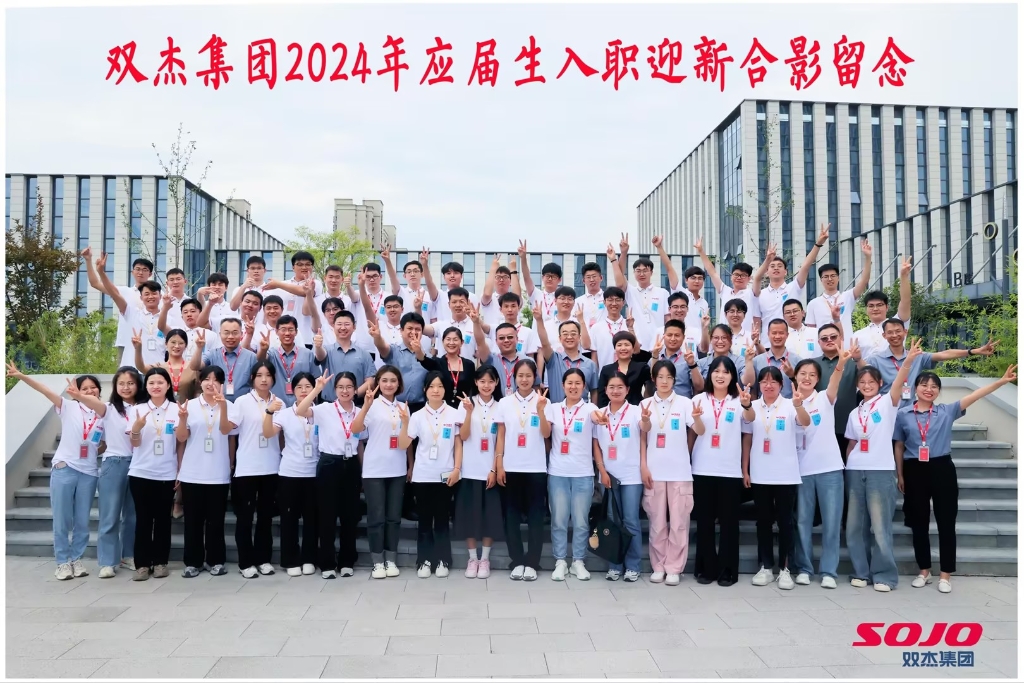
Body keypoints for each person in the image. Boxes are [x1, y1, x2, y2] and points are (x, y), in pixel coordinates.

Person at [896, 365, 1018, 595]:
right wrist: (900, 474)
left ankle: (945, 574)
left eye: (934, 386)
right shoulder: (903, 414)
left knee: (946, 521)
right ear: (915, 388)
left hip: (942, 467)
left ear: (938, 391)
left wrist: (1001, 382)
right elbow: (899, 445)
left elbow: (975, 395)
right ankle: (924, 571)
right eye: (924, 385)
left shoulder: (947, 411)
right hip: (914, 469)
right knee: (918, 522)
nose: (929, 389)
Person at [7, 364, 103, 580]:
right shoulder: (68, 407)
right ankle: (62, 562)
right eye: (85, 388)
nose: (89, 391)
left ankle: (76, 559)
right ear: (77, 391)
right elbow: (45, 390)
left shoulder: (103, 412)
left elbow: (103, 443)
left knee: (82, 521)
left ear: (99, 390)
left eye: (93, 387)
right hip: (65, 468)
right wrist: (21, 376)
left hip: (89, 473)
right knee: (62, 519)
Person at [843, 339, 920, 592]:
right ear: (858, 385)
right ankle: (861, 572)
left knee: (879, 526)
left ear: (879, 384)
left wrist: (908, 362)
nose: (866, 386)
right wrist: (848, 466)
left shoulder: (888, 403)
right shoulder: (855, 413)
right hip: (855, 470)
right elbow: (852, 443)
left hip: (881, 470)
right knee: (855, 526)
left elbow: (898, 383)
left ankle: (885, 575)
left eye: (871, 382)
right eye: (862, 382)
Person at [741, 366, 811, 590]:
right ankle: (766, 567)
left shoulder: (791, 405)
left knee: (785, 522)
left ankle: (785, 569)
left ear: (781, 385)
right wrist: (745, 470)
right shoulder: (753, 406)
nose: (768, 385)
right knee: (763, 521)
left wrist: (799, 405)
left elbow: (805, 422)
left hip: (785, 475)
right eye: (764, 381)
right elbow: (747, 430)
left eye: (773, 381)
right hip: (760, 474)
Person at [639, 361, 704, 586]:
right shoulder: (645, 403)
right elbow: (644, 434)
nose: (664, 381)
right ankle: (658, 566)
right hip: (654, 471)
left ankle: (674, 567)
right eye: (660, 377)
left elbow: (700, 430)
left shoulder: (685, 403)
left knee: (679, 522)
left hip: (680, 471)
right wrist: (643, 466)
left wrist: (697, 418)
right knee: (656, 522)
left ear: (675, 379)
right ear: (653, 379)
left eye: (668, 377)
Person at [792, 353, 851, 590]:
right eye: (802, 374)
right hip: (801, 471)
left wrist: (841, 364)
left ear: (818, 379)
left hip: (830, 469)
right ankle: (804, 569)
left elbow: (836, 379)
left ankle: (829, 571)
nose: (807, 378)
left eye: (812, 375)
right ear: (795, 377)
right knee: (803, 521)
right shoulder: (788, 403)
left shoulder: (825, 398)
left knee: (831, 522)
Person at [298, 372, 365, 579]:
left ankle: (347, 561)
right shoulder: (325, 409)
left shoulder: (360, 412)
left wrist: (362, 469)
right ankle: (327, 563)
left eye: (349, 387)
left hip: (351, 464)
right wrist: (317, 389)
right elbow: (300, 410)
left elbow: (360, 443)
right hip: (329, 464)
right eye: (340, 387)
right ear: (335, 390)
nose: (345, 391)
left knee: (349, 516)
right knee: (327, 515)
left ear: (355, 390)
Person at [399, 371, 465, 578]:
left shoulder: (454, 413)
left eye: (440, 386)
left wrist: (457, 469)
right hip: (423, 475)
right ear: (425, 390)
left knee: (442, 520)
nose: (436, 390)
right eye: (431, 386)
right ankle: (424, 560)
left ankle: (444, 559)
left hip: (446, 475)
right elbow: (403, 444)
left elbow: (458, 443)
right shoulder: (417, 416)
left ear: (446, 389)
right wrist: (404, 422)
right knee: (425, 521)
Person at [174, 366, 237, 578]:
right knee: (193, 521)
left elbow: (226, 431)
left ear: (222, 383)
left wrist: (223, 406)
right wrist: (183, 418)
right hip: (192, 472)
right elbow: (181, 438)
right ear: (200, 382)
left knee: (216, 521)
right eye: (207, 379)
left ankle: (215, 560)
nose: (211, 383)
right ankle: (193, 562)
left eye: (216, 380)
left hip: (218, 472)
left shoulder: (229, 406)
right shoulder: (189, 405)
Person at [494, 360, 551, 581]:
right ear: (514, 378)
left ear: (535, 377)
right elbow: (501, 435)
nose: (524, 379)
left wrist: (541, 412)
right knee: (511, 516)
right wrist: (499, 464)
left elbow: (546, 434)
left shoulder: (544, 401)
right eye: (520, 375)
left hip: (536, 467)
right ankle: (517, 560)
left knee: (536, 517)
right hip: (511, 467)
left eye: (528, 375)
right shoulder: (505, 403)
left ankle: (532, 562)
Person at [350, 366, 409, 579]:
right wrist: (365, 406)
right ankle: (377, 562)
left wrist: (410, 465)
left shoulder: (404, 407)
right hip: (374, 469)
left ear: (399, 383)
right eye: (384, 380)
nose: (389, 384)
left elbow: (406, 441)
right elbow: (355, 429)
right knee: (376, 517)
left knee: (393, 517)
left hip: (397, 468)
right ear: (378, 383)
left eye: (393, 380)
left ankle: (391, 559)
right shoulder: (371, 405)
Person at [690, 356, 744, 586]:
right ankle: (706, 569)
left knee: (730, 523)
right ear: (709, 374)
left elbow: (750, 419)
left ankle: (727, 571)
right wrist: (696, 418)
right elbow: (697, 432)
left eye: (726, 372)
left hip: (730, 470)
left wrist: (748, 405)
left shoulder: (739, 400)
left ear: (732, 376)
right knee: (704, 521)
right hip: (702, 467)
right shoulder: (698, 399)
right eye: (716, 371)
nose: (720, 376)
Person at [545, 368, 602, 582]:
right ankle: (560, 560)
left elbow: (597, 418)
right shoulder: (553, 408)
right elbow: (545, 433)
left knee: (580, 521)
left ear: (584, 386)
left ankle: (578, 561)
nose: (573, 387)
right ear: (563, 385)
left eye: (578, 383)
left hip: (583, 473)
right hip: (558, 472)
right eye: (570, 382)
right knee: (559, 520)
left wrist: (600, 418)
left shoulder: (590, 408)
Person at [125, 368, 181, 581]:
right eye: (151, 382)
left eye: (160, 382)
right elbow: (135, 443)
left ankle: (160, 563)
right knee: (143, 520)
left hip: (167, 472)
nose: (156, 386)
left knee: (163, 520)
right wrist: (137, 428)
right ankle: (142, 564)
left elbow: (181, 442)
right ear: (146, 386)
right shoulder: (137, 409)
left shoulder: (177, 409)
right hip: (141, 472)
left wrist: (180, 470)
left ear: (168, 385)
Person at [866, 318, 998, 408]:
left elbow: (944, 354)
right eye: (890, 332)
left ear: (905, 332)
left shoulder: (917, 356)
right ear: (884, 335)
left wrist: (973, 351)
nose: (894, 335)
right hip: (885, 411)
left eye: (898, 331)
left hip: (910, 412)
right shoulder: (875, 360)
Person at [232, 361, 283, 579]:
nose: (264, 379)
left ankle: (263, 559)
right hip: (247, 467)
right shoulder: (242, 401)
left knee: (265, 517)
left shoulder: (279, 402)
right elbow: (231, 431)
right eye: (259, 375)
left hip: (271, 466)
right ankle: (245, 562)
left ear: (273, 378)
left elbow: (277, 435)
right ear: (252, 378)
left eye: (268, 375)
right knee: (245, 517)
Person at [266, 372, 321, 577]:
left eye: (308, 386)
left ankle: (309, 558)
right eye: (299, 387)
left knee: (312, 519)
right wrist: (269, 412)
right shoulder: (285, 413)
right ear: (292, 390)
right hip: (290, 473)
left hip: (314, 473)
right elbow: (268, 433)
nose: (304, 390)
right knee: (289, 519)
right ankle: (290, 559)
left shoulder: (321, 412)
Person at [455, 366, 505, 579]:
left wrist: (494, 468)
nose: (486, 385)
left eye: (490, 381)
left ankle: (485, 559)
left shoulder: (501, 406)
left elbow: (501, 440)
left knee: (489, 517)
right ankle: (472, 558)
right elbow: (463, 436)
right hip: (469, 469)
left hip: (490, 470)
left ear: (496, 383)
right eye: (482, 381)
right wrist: (468, 412)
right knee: (469, 516)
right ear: (476, 382)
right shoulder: (466, 403)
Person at [593, 371, 643, 582]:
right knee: (612, 521)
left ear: (627, 390)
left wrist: (646, 420)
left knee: (630, 520)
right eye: (611, 387)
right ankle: (615, 565)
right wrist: (602, 471)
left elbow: (646, 429)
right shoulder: (599, 414)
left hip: (631, 475)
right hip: (608, 476)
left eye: (620, 387)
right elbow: (596, 445)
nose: (615, 391)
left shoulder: (636, 412)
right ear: (605, 390)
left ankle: (633, 565)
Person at [750, 226, 828, 347]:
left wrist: (818, 244)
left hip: (792, 343)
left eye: (779, 266)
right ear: (766, 272)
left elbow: (805, 266)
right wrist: (767, 260)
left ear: (785, 272)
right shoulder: (760, 294)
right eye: (772, 266)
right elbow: (757, 321)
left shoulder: (793, 288)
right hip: (767, 345)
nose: (776, 268)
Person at [608, 235, 669, 351]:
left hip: (659, 344)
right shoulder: (630, 291)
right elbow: (620, 275)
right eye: (638, 271)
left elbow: (668, 319)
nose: (641, 274)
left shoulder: (663, 293)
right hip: (636, 343)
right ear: (634, 273)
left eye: (645, 271)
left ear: (651, 272)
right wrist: (623, 253)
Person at [805, 239, 873, 342]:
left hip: (846, 347)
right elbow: (811, 332)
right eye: (826, 276)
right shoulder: (813, 304)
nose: (830, 279)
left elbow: (864, 281)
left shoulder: (848, 297)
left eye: (833, 276)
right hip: (823, 349)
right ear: (821, 280)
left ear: (838, 278)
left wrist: (868, 257)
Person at [694, 237, 760, 336]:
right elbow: (712, 273)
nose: (739, 278)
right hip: (724, 338)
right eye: (736, 274)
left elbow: (758, 278)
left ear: (749, 278)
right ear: (731, 277)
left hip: (744, 338)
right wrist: (701, 251)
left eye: (743, 275)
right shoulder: (725, 291)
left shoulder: (751, 294)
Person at [851, 257, 912, 359]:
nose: (875, 309)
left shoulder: (897, 323)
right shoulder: (858, 335)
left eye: (879, 305)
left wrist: (904, 276)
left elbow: (905, 301)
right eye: (871, 306)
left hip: (895, 368)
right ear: (866, 309)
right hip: (868, 369)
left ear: (887, 307)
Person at [533, 309, 599, 404]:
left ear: (579, 337)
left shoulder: (590, 364)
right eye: (565, 334)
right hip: (558, 410)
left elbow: (594, 391)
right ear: (560, 338)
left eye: (573, 334)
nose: (569, 337)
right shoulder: (553, 359)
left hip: (582, 410)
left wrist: (594, 409)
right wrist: (539, 320)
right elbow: (545, 343)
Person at [189, 319, 260, 403]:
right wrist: (199, 348)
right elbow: (194, 366)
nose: (230, 336)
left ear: (241, 334)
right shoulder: (213, 354)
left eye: (235, 333)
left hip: (243, 405)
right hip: (216, 403)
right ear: (220, 334)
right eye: (226, 333)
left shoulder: (251, 357)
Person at [314, 311, 377, 402]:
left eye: (347, 324)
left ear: (354, 327)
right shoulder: (326, 350)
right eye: (339, 324)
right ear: (333, 326)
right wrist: (318, 346)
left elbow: (370, 381)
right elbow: (320, 356)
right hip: (328, 404)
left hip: (355, 404)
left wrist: (353, 394)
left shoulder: (364, 354)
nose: (343, 328)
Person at [258, 315, 319, 406]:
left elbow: (316, 378)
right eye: (283, 329)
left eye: (290, 330)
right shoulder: (272, 353)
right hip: (277, 404)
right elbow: (261, 361)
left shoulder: (307, 354)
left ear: (296, 332)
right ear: (276, 331)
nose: (287, 333)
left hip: (302, 404)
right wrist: (263, 349)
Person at [743, 319, 802, 399]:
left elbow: (803, 390)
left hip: (789, 405)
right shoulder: (757, 361)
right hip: (763, 405)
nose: (777, 336)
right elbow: (753, 389)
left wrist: (792, 376)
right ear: (768, 334)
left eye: (781, 333)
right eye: (774, 333)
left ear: (787, 335)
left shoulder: (797, 361)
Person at [134, 328, 197, 398]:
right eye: (173, 342)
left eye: (181, 343)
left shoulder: (192, 367)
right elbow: (141, 367)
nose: (176, 346)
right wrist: (138, 349)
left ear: (186, 346)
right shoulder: (159, 367)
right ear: (166, 344)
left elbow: (198, 392)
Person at [650, 319, 704, 397]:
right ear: (664, 336)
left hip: (683, 402)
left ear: (683, 337)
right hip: (660, 402)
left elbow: (700, 387)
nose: (673, 339)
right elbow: (652, 382)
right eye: (669, 335)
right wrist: (655, 356)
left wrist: (692, 364)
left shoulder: (689, 359)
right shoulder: (655, 358)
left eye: (677, 335)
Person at [597, 331, 651, 407]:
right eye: (619, 345)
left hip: (636, 409)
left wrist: (655, 356)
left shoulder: (641, 367)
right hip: (613, 411)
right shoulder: (607, 369)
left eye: (627, 345)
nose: (623, 348)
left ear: (633, 348)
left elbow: (653, 381)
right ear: (615, 348)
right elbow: (602, 396)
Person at [585, 286, 630, 369]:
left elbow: (636, 350)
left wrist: (631, 328)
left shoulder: (630, 325)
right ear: (604, 302)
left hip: (627, 374)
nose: (614, 303)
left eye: (617, 300)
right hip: (604, 374)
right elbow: (594, 356)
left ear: (623, 302)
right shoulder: (596, 328)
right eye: (610, 300)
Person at [437, 327, 478, 407]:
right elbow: (423, 360)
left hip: (464, 407)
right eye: (448, 339)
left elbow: (472, 389)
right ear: (443, 342)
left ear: (462, 342)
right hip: (442, 408)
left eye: (455, 339)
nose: (451, 343)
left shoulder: (469, 365)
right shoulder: (437, 363)